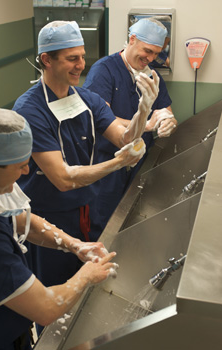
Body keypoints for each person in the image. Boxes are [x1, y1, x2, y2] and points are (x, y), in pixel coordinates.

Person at [12, 20, 159, 289]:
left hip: (86, 210)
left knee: (85, 282)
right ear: (47, 59)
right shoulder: (30, 109)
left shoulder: (86, 98)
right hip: (49, 218)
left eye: (81, 56)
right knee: (55, 288)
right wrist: (117, 163)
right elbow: (63, 179)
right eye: (72, 59)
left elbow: (124, 138)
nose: (81, 64)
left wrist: (143, 111)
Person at [0, 107, 119, 350]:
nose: (27, 171)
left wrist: (75, 245)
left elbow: (20, 221)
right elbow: (46, 308)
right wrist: (87, 275)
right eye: (20, 166)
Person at [83, 18, 178, 231]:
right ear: (132, 39)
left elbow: (166, 112)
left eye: (156, 53)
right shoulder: (104, 70)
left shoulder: (152, 75)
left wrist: (167, 122)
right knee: (103, 222)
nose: (151, 58)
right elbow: (101, 118)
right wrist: (145, 124)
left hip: (140, 160)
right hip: (108, 161)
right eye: (147, 51)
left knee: (133, 219)